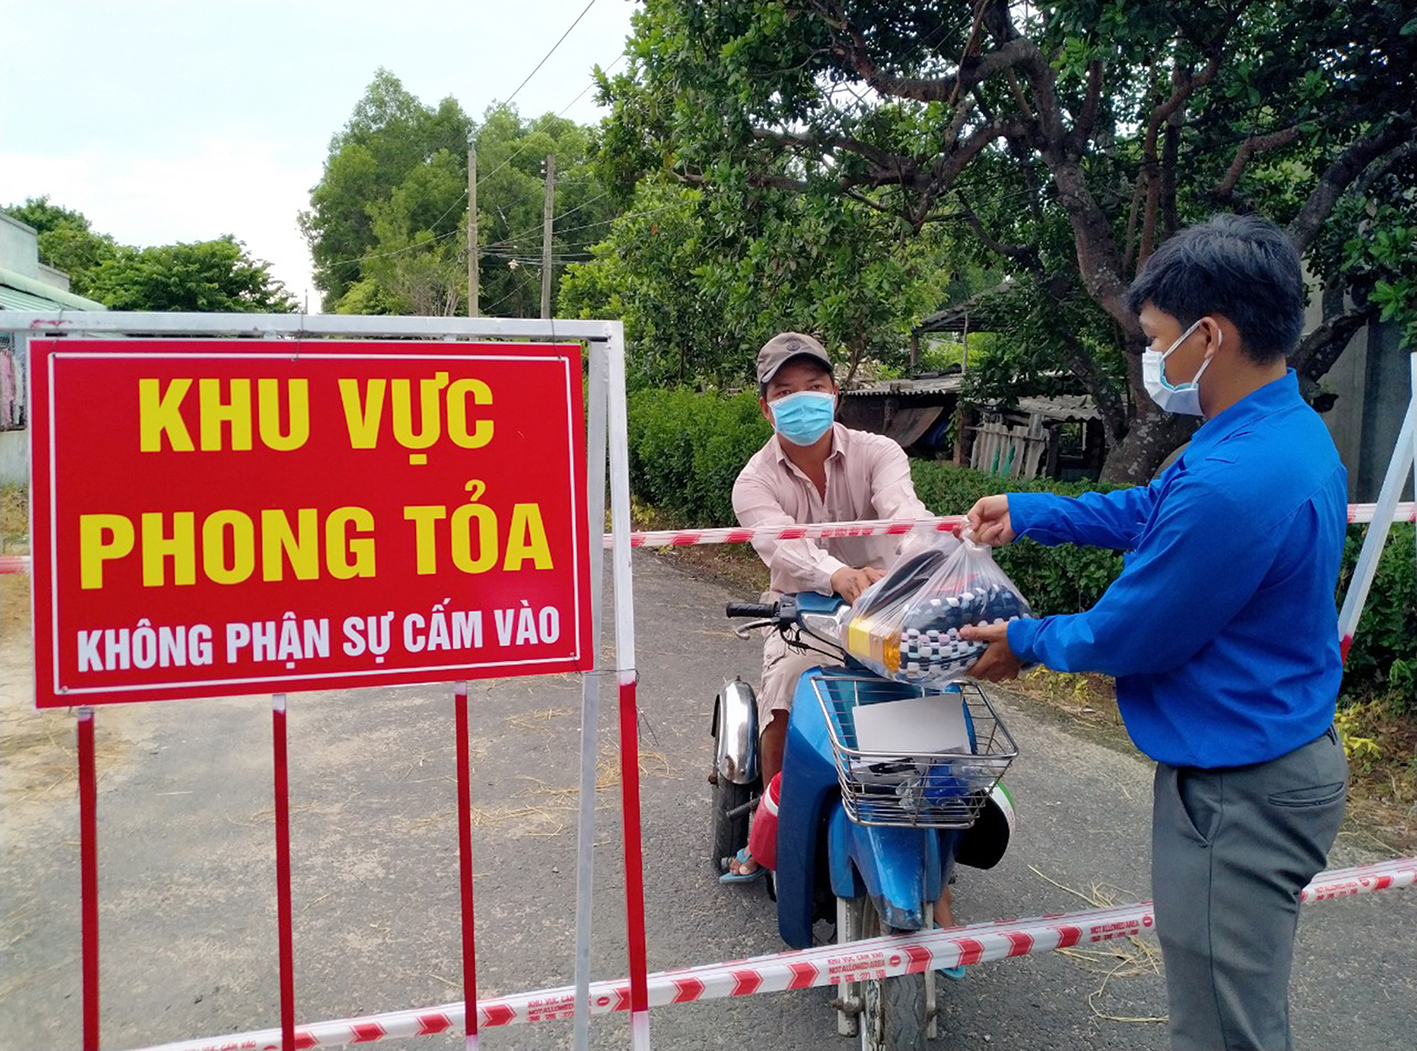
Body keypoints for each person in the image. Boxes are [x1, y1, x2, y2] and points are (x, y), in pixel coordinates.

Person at [960, 213, 1349, 1051]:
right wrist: (1030, 512)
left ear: (1209, 335)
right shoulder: (1276, 431)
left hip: (1237, 791)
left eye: (1156, 338)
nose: (1152, 360)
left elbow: (1128, 631)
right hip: (1271, 752)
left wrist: (1020, 641)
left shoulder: (1234, 477)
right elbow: (1151, 510)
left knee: (1219, 1030)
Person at [721, 332, 963, 963]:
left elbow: (904, 511)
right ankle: (777, 819)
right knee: (784, 699)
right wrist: (836, 575)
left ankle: (934, 861)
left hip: (890, 612)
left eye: (815, 387)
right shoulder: (754, 480)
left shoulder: (879, 452)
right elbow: (780, 545)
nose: (803, 399)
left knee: (937, 711)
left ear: (836, 393)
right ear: (765, 406)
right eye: (785, 391)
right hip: (806, 615)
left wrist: (919, 557)